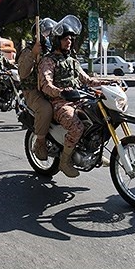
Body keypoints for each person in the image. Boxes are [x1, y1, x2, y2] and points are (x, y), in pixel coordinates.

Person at [38, 22, 108, 178]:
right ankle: (64, 161)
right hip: (59, 102)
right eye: (65, 39)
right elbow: (46, 84)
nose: (68, 41)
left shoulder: (72, 61)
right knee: (76, 127)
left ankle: (94, 151)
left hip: (79, 98)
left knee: (101, 117)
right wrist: (60, 92)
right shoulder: (48, 61)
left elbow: (87, 80)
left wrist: (108, 83)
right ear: (57, 40)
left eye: (70, 39)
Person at [18, 18, 56, 160]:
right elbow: (23, 73)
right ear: (37, 35)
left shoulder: (53, 51)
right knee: (45, 109)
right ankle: (40, 143)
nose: (49, 35)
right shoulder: (28, 51)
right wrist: (33, 54)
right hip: (33, 91)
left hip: (52, 90)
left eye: (51, 32)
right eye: (46, 32)